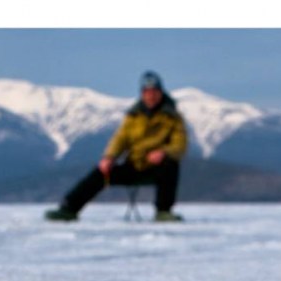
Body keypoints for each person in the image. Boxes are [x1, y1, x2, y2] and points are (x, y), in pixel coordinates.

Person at [46, 71, 187, 222]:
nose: (151, 96)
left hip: (156, 167)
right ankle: (69, 208)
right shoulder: (133, 116)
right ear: (142, 94)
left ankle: (163, 211)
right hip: (133, 165)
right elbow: (120, 139)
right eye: (147, 92)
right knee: (101, 172)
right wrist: (109, 157)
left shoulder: (173, 117)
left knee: (171, 165)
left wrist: (163, 152)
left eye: (154, 92)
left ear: (160, 93)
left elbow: (180, 144)